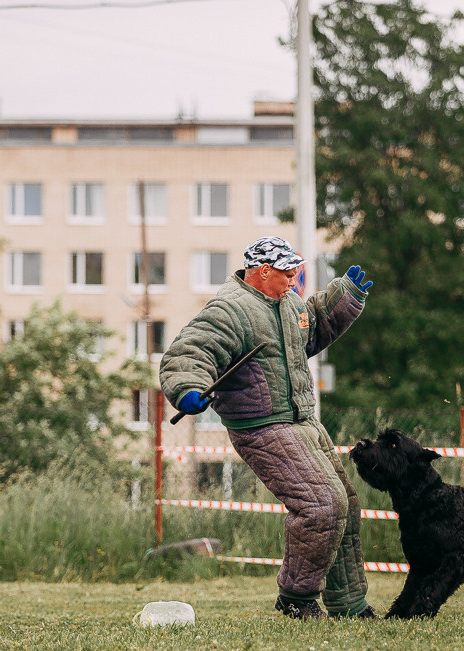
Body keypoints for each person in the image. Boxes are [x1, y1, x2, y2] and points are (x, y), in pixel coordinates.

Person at [160, 237, 375, 620]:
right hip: (262, 426)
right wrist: (188, 387)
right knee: (321, 506)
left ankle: (350, 605)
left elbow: (312, 329)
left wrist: (345, 298)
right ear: (263, 271)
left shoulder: (288, 303)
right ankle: (296, 598)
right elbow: (190, 351)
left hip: (303, 419)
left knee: (345, 505)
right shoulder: (230, 309)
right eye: (288, 273)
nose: (294, 279)